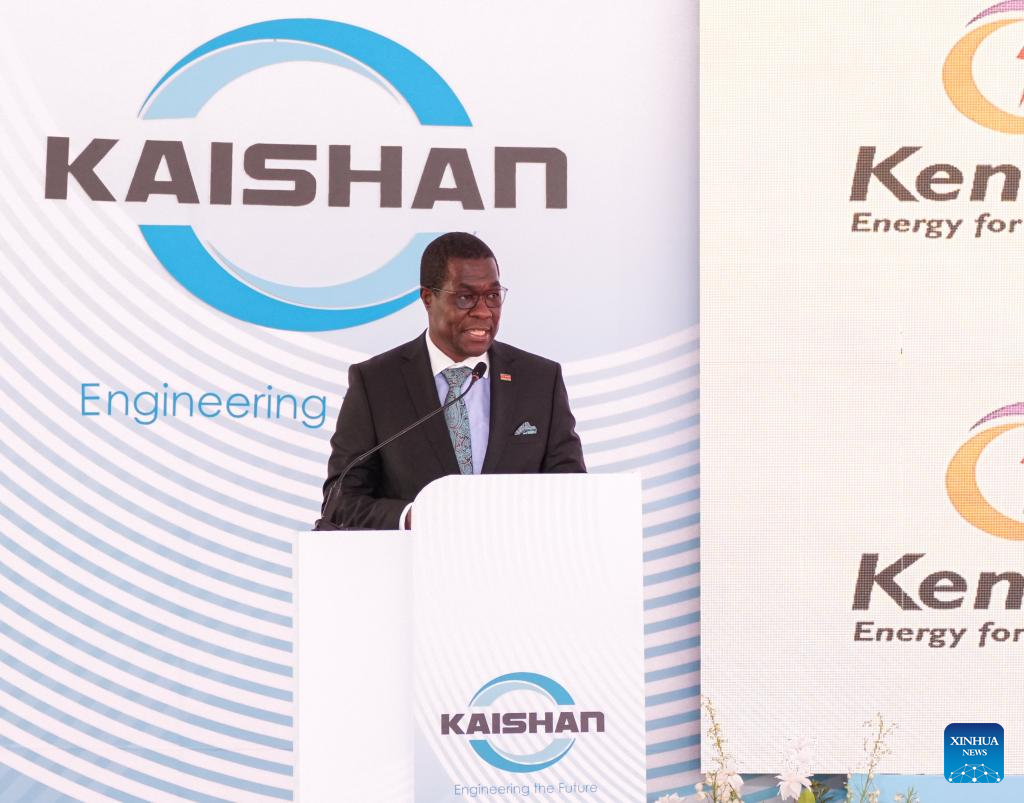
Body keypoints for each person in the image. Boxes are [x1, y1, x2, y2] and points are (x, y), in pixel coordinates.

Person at [317, 232, 586, 530]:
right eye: (465, 298)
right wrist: (412, 516)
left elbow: (572, 491)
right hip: (415, 556)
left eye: (493, 296)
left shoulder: (540, 380)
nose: (483, 312)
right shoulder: (375, 383)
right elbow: (340, 501)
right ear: (428, 298)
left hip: (516, 555)